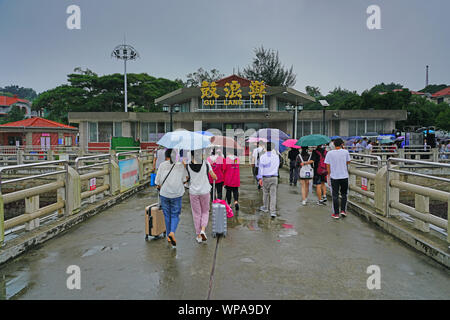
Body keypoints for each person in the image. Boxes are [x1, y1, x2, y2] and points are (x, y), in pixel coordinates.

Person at [155, 148, 188, 247]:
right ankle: (172, 232)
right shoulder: (180, 166)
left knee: (167, 215)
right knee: (175, 215)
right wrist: (185, 167)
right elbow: (184, 180)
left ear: (166, 156)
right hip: (176, 194)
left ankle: (169, 236)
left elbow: (157, 182)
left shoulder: (162, 165)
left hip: (164, 194)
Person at [186, 150, 217, 244]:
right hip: (205, 191)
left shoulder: (187, 165)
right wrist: (215, 177)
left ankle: (198, 235)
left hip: (193, 192)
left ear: (192, 156)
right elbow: (214, 176)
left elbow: (186, 178)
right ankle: (203, 230)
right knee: (205, 211)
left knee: (196, 213)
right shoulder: (206, 163)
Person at [324, 138, 351, 219]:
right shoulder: (345, 152)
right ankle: (343, 211)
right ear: (342, 144)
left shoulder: (329, 153)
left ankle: (336, 213)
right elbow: (348, 162)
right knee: (344, 194)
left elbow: (327, 165)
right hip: (344, 176)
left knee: (335, 195)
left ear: (334, 145)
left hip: (334, 176)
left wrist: (329, 175)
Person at [257, 142, 280, 217]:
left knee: (265, 193)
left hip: (265, 177)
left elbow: (261, 168)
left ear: (266, 148)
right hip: (274, 177)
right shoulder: (276, 157)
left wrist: (260, 178)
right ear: (273, 148)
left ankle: (265, 207)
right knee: (273, 195)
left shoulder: (262, 157)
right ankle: (273, 212)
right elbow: (278, 166)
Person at [224, 148, 241, 212]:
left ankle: (229, 204)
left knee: (228, 191)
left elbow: (224, 168)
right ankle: (236, 202)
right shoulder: (237, 159)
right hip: (236, 177)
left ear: (228, 152)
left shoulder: (226, 159)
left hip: (229, 178)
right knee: (235, 190)